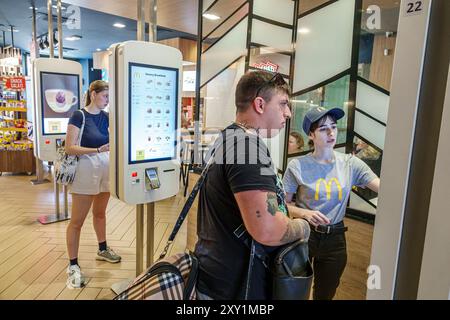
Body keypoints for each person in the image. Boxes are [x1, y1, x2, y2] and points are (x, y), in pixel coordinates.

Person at [194, 71, 310, 300]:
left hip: (217, 274)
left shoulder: (228, 138)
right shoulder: (248, 148)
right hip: (235, 287)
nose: (287, 113)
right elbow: (267, 229)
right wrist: (302, 227)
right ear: (259, 104)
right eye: (283, 104)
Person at [282, 106, 380, 300]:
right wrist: (304, 213)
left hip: (335, 237)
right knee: (295, 292)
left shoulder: (350, 164)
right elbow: (282, 205)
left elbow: (383, 189)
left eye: (333, 127)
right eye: (323, 128)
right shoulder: (298, 165)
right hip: (304, 233)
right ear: (311, 134)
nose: (331, 132)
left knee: (325, 294)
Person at [64, 80, 121, 289]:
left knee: (100, 213)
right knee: (77, 221)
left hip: (105, 170)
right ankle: (73, 264)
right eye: (105, 96)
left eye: (109, 97)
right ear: (93, 93)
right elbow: (69, 147)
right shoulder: (79, 115)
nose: (107, 101)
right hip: (85, 172)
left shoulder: (107, 117)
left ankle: (102, 248)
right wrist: (97, 150)